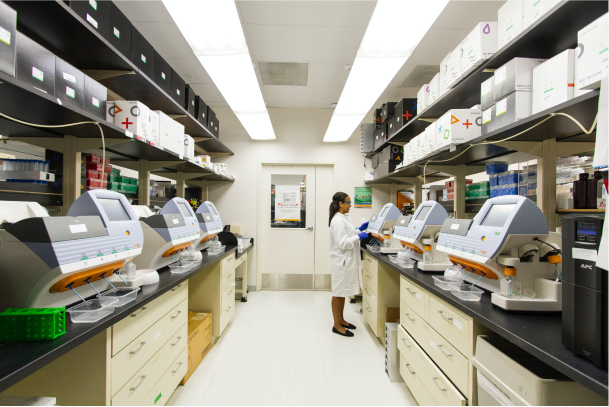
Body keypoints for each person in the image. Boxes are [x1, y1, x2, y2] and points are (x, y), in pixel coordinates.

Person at [328, 192, 369, 337]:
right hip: (341, 262)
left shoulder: (344, 218)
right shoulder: (337, 221)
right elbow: (343, 243)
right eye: (348, 203)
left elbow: (348, 235)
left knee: (343, 292)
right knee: (338, 292)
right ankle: (336, 325)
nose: (350, 205)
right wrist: (359, 236)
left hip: (346, 261)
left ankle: (342, 319)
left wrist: (359, 230)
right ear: (341, 204)